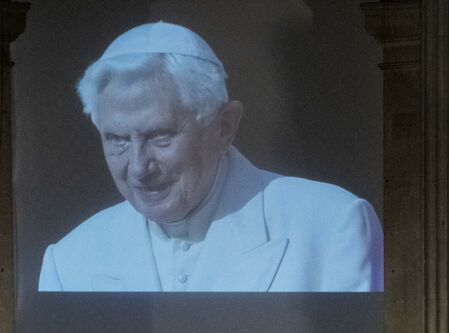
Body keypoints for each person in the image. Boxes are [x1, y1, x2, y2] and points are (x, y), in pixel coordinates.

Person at [39, 22, 383, 294]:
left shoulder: (331, 226)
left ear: (224, 127)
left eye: (160, 136)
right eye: (117, 140)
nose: (139, 168)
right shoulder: (69, 261)